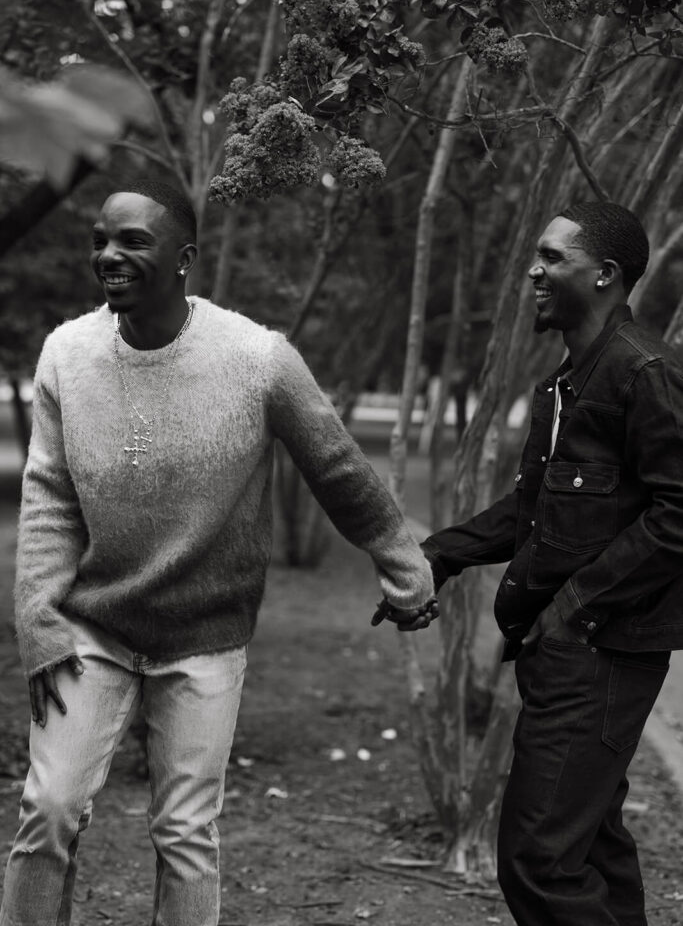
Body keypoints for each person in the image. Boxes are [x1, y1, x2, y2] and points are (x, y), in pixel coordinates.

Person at [0, 179, 438, 926]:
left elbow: (337, 467)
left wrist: (402, 561)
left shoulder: (255, 359)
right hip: (90, 630)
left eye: (132, 241)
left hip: (205, 636)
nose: (109, 254)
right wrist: (38, 617)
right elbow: (49, 496)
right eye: (100, 240)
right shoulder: (66, 355)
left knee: (184, 833)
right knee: (49, 808)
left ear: (184, 259)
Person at [419, 201, 683, 926]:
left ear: (603, 275)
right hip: (567, 653)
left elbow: (677, 515)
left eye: (551, 257)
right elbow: (532, 513)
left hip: (600, 654)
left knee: (539, 860)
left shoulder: (644, 373)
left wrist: (571, 609)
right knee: (590, 848)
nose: (532, 271)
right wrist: (438, 555)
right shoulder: (568, 384)